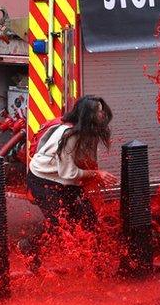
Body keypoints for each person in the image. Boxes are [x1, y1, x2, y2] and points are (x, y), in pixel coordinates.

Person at [20, 95, 116, 271]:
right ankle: (30, 247)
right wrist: (97, 174)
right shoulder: (69, 135)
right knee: (60, 224)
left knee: (89, 219)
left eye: (103, 111)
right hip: (43, 181)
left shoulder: (89, 131)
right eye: (98, 112)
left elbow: (82, 163)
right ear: (88, 115)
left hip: (66, 180)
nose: (102, 115)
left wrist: (94, 177)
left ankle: (98, 264)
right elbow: (68, 174)